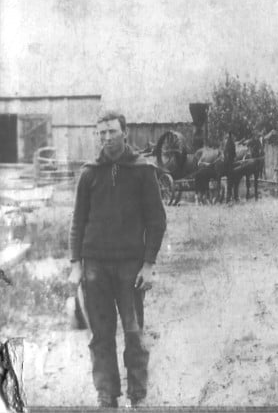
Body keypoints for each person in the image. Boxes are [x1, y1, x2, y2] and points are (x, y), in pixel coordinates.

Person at [69, 110, 167, 409]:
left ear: (124, 133)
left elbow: (157, 221)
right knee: (101, 335)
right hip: (94, 267)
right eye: (102, 132)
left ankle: (137, 394)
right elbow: (77, 222)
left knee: (134, 334)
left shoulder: (142, 170)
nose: (106, 137)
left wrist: (148, 265)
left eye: (112, 131)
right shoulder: (88, 173)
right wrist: (75, 264)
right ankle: (107, 394)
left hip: (131, 268)